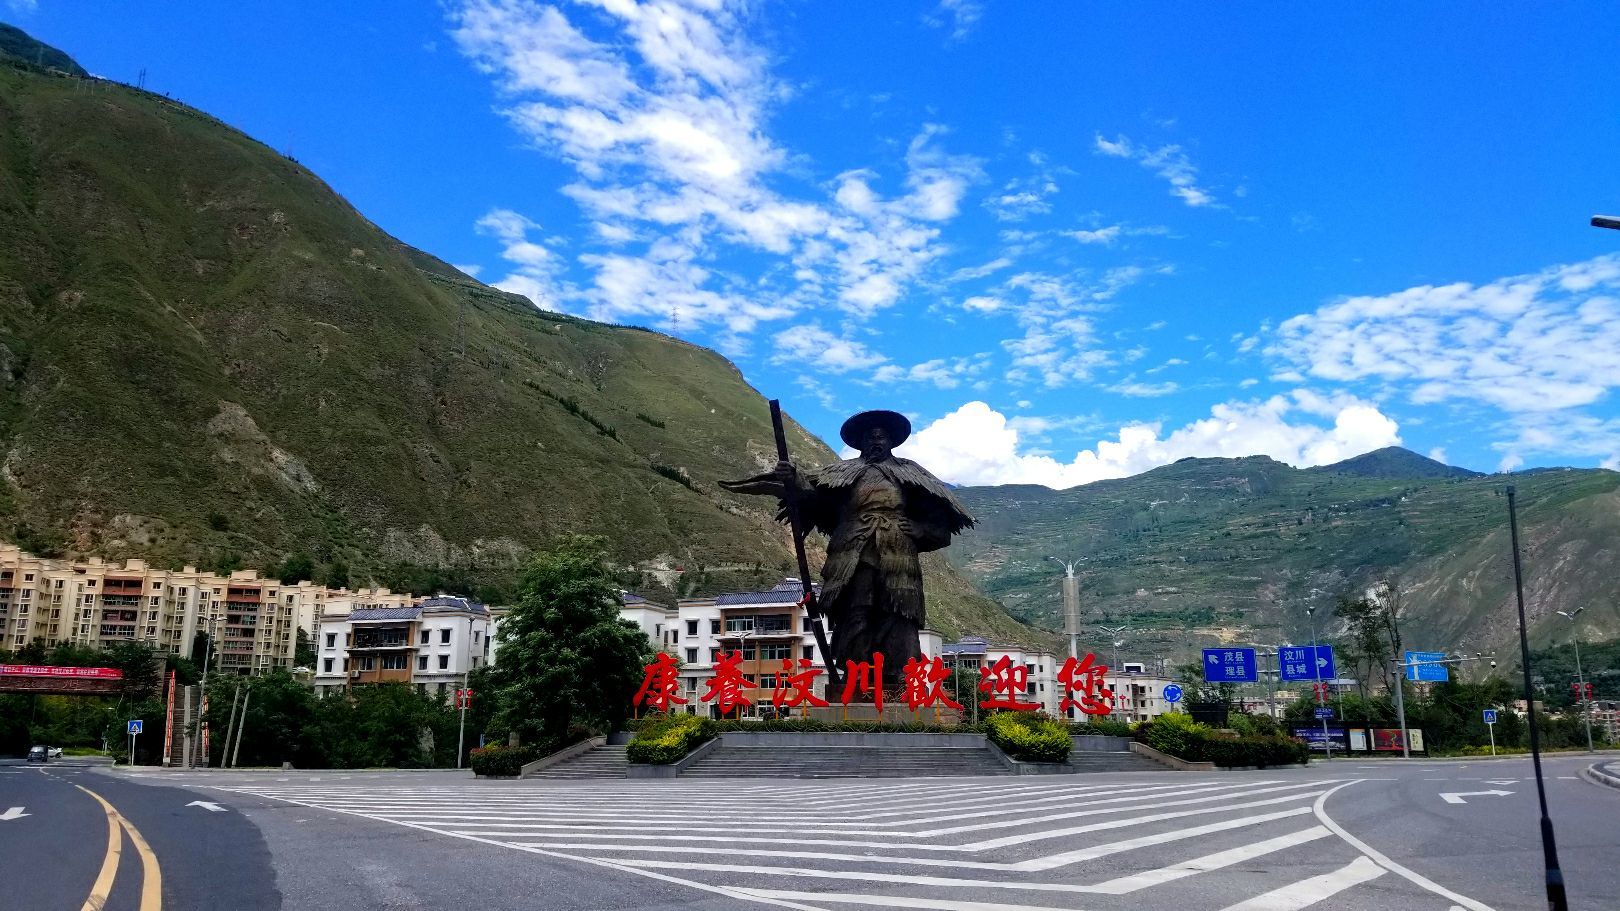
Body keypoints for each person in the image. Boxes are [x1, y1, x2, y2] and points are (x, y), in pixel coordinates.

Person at [721, 410, 974, 688]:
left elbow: (939, 519)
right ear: (861, 442)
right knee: (856, 609)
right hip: (853, 550)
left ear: (890, 441)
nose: (876, 442)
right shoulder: (843, 473)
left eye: (881, 437)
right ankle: (856, 673)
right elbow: (815, 495)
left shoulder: (910, 472)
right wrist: (793, 477)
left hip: (898, 553)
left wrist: (918, 528)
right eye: (870, 437)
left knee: (898, 612)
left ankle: (899, 675)